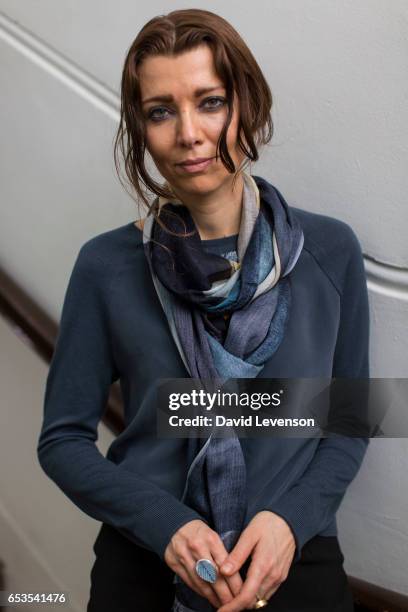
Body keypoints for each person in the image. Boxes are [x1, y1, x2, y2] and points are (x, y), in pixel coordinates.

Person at [37, 9, 370, 612]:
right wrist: (166, 524)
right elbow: (62, 440)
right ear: (141, 128)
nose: (188, 133)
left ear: (248, 104)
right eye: (161, 111)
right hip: (146, 563)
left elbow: (348, 420)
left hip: (295, 560)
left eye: (209, 102)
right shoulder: (105, 267)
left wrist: (289, 521)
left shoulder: (330, 252)